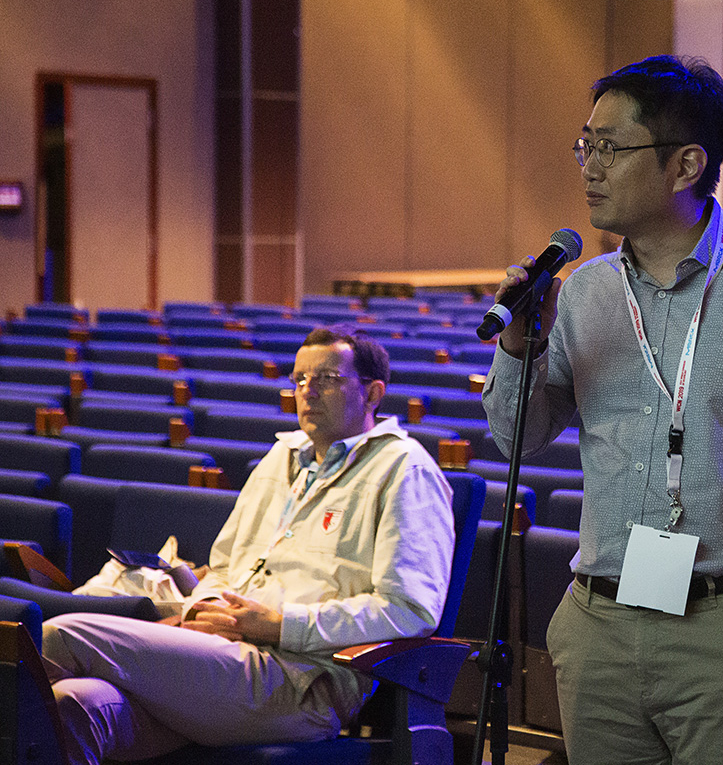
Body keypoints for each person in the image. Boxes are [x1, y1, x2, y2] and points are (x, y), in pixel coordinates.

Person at [482, 55, 723, 764]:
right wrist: (516, 346)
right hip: (598, 624)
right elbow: (516, 437)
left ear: (686, 165)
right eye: (585, 145)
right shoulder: (585, 290)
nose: (589, 168)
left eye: (610, 147)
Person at [40, 326, 456, 765]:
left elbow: (410, 610)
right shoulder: (283, 457)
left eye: (327, 379)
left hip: (300, 679)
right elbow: (224, 567)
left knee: (61, 635)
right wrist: (205, 610)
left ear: (373, 394)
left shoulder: (404, 470)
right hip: (225, 660)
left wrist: (279, 626)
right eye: (300, 379)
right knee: (76, 704)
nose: (308, 391)